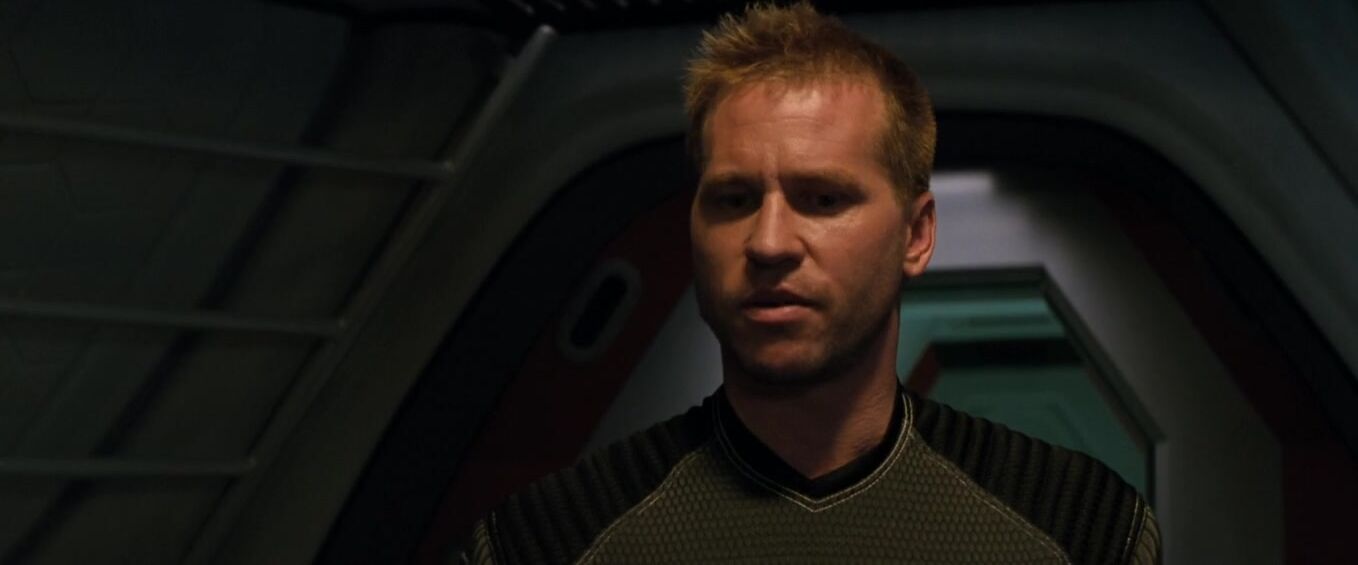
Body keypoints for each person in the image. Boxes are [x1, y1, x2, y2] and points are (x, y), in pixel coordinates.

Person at [459, 2, 1159, 563]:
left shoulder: (1079, 527)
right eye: (734, 199)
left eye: (822, 199)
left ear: (916, 235)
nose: (768, 243)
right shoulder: (546, 541)